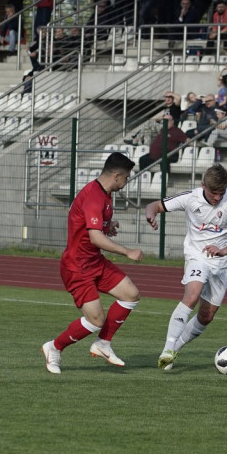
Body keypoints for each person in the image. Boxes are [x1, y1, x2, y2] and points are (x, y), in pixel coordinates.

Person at [41, 152, 143, 374]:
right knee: (96, 319)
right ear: (117, 176)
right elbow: (95, 238)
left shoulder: (103, 194)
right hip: (77, 267)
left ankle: (103, 344)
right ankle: (54, 347)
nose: (126, 182)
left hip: (94, 261)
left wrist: (108, 226)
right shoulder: (94, 196)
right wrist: (127, 252)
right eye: (126, 178)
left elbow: (91, 228)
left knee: (130, 294)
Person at [145, 164, 227, 371]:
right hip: (197, 256)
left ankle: (175, 349)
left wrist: (223, 251)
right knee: (192, 294)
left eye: (221, 193)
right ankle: (167, 349)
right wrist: (151, 214)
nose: (218, 198)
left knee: (206, 316)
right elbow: (155, 205)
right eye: (213, 193)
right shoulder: (190, 197)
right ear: (203, 186)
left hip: (222, 262)